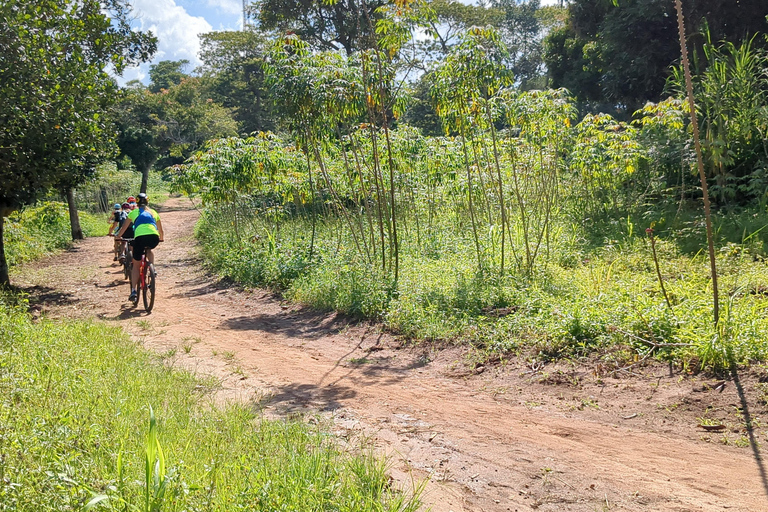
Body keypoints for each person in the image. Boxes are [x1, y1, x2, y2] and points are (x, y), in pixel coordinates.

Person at [116, 193, 164, 302]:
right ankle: (152, 268)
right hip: (154, 238)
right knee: (149, 249)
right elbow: (160, 230)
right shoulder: (153, 212)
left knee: (136, 265)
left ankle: (133, 291)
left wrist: (118, 237)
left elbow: (123, 228)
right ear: (147, 202)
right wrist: (161, 238)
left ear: (136, 203)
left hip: (139, 239)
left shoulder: (133, 212)